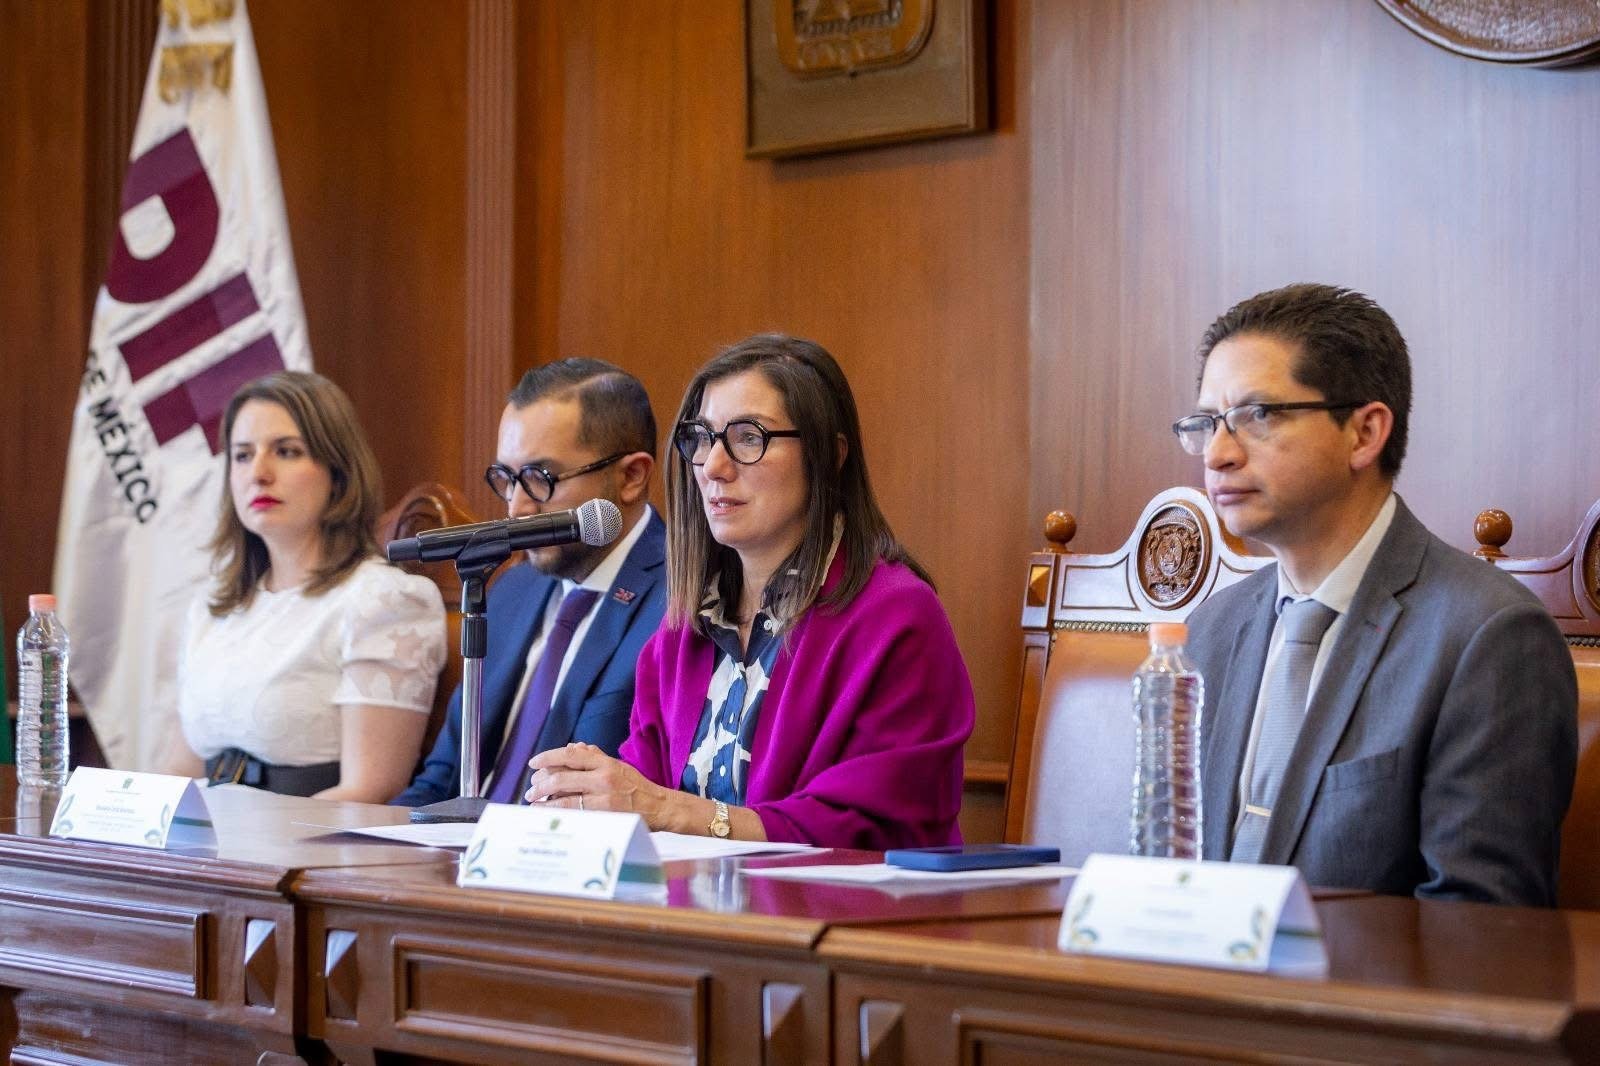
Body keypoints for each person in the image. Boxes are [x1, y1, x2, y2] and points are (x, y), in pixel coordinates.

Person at [1175, 283, 1577, 904]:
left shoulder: (1488, 636)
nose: (1219, 455)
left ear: (1364, 433)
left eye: (1258, 416)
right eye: (1207, 424)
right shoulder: (1211, 630)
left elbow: (1478, 926)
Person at [525, 334, 974, 848]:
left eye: (748, 437)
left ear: (828, 455)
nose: (713, 467)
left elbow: (874, 828)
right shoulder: (680, 633)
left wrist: (671, 810)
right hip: (687, 899)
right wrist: (589, 796)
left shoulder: (897, 616)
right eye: (701, 438)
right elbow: (643, 799)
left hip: (840, 899)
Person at [393, 359, 666, 807]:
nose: (517, 507)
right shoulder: (509, 591)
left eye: (541, 478)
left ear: (631, 477)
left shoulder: (682, 599)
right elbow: (438, 782)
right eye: (506, 478)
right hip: (461, 846)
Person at [169, 371, 446, 800]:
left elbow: (369, 791)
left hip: (310, 836)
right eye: (242, 455)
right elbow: (178, 772)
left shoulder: (384, 600)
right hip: (208, 834)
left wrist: (245, 837)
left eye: (286, 451)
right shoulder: (213, 606)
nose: (258, 473)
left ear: (338, 471)